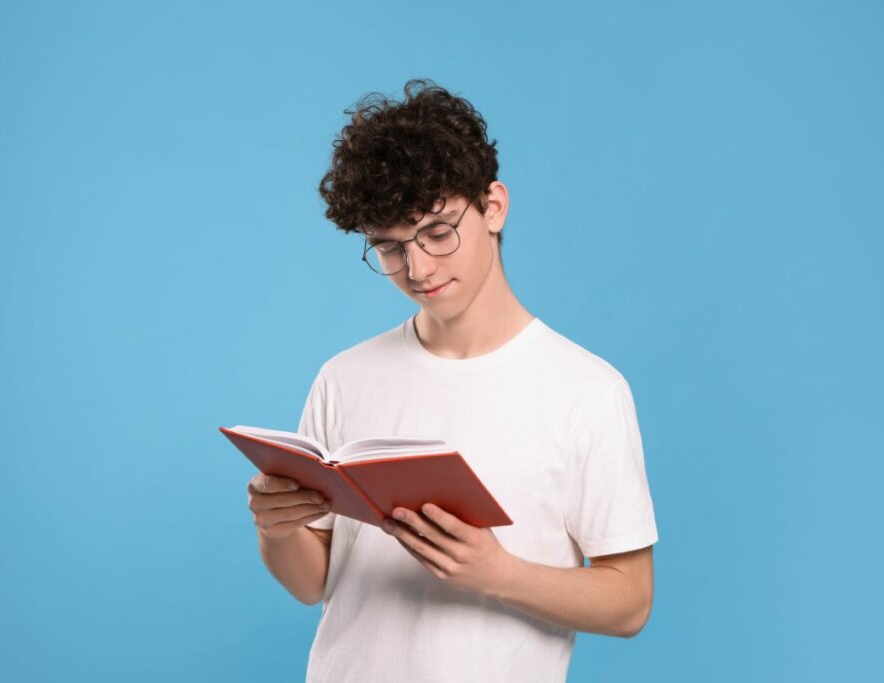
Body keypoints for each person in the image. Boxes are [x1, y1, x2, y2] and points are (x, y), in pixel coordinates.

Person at [246, 79, 659, 682]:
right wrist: (275, 528)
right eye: (388, 248)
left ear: (493, 206)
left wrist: (498, 573)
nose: (417, 269)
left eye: (438, 232)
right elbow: (312, 584)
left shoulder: (588, 390)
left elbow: (631, 602)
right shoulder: (344, 376)